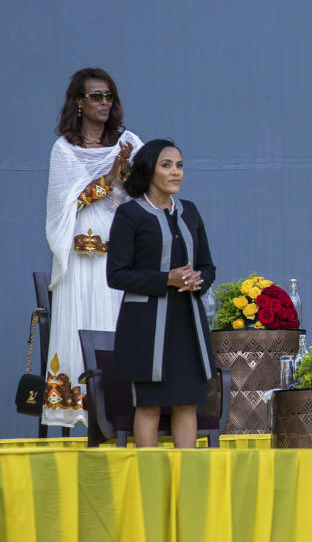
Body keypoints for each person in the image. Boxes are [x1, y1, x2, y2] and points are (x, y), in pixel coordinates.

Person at [43, 68, 142, 429]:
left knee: (119, 323)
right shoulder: (64, 149)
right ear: (79, 103)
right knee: (83, 324)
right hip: (81, 257)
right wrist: (109, 178)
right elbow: (64, 205)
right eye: (96, 96)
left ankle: (122, 410)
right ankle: (83, 410)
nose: (104, 102)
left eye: (109, 96)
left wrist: (128, 175)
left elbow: (147, 196)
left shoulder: (129, 142)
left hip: (122, 253)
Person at [106, 139, 216, 448]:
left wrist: (198, 279)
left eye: (180, 165)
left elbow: (208, 266)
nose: (176, 172)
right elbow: (116, 275)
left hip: (187, 324)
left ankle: (187, 489)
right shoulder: (130, 214)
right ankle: (150, 489)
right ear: (149, 170)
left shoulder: (190, 211)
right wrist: (166, 279)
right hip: (146, 327)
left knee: (186, 404)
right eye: (166, 165)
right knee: (149, 405)